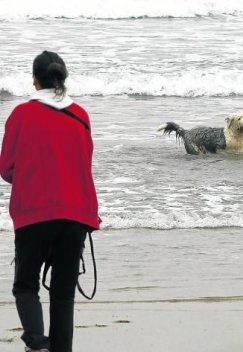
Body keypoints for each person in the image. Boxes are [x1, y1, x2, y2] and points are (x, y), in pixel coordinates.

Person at [0, 51, 100, 352]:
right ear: (62, 77)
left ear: (34, 80)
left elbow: (6, 168)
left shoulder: (21, 114)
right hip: (76, 214)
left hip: (35, 212)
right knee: (63, 294)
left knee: (26, 285)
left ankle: (36, 341)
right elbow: (84, 162)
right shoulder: (81, 115)